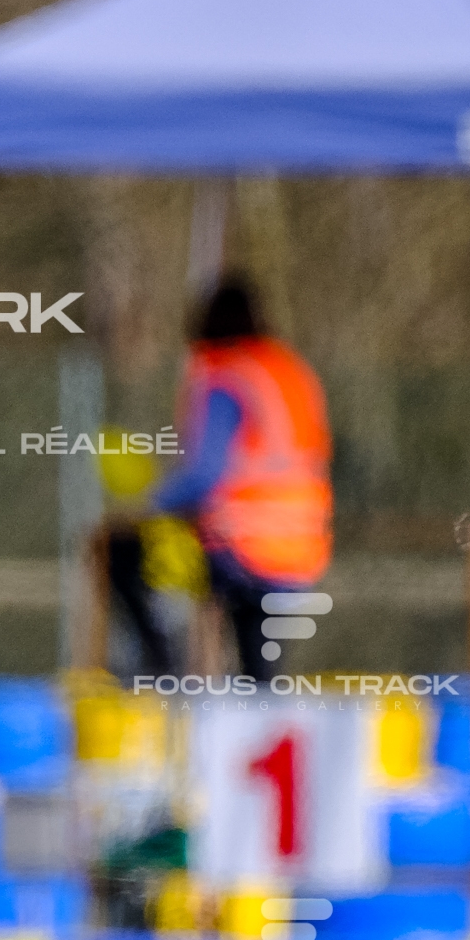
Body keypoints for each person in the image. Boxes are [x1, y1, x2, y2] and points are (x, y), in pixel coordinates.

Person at [108, 275, 333, 674]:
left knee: (123, 554)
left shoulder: (226, 375)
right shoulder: (289, 372)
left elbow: (205, 473)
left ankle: (163, 673)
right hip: (303, 550)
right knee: (260, 675)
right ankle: (257, 697)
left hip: (241, 548)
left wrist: (153, 505)